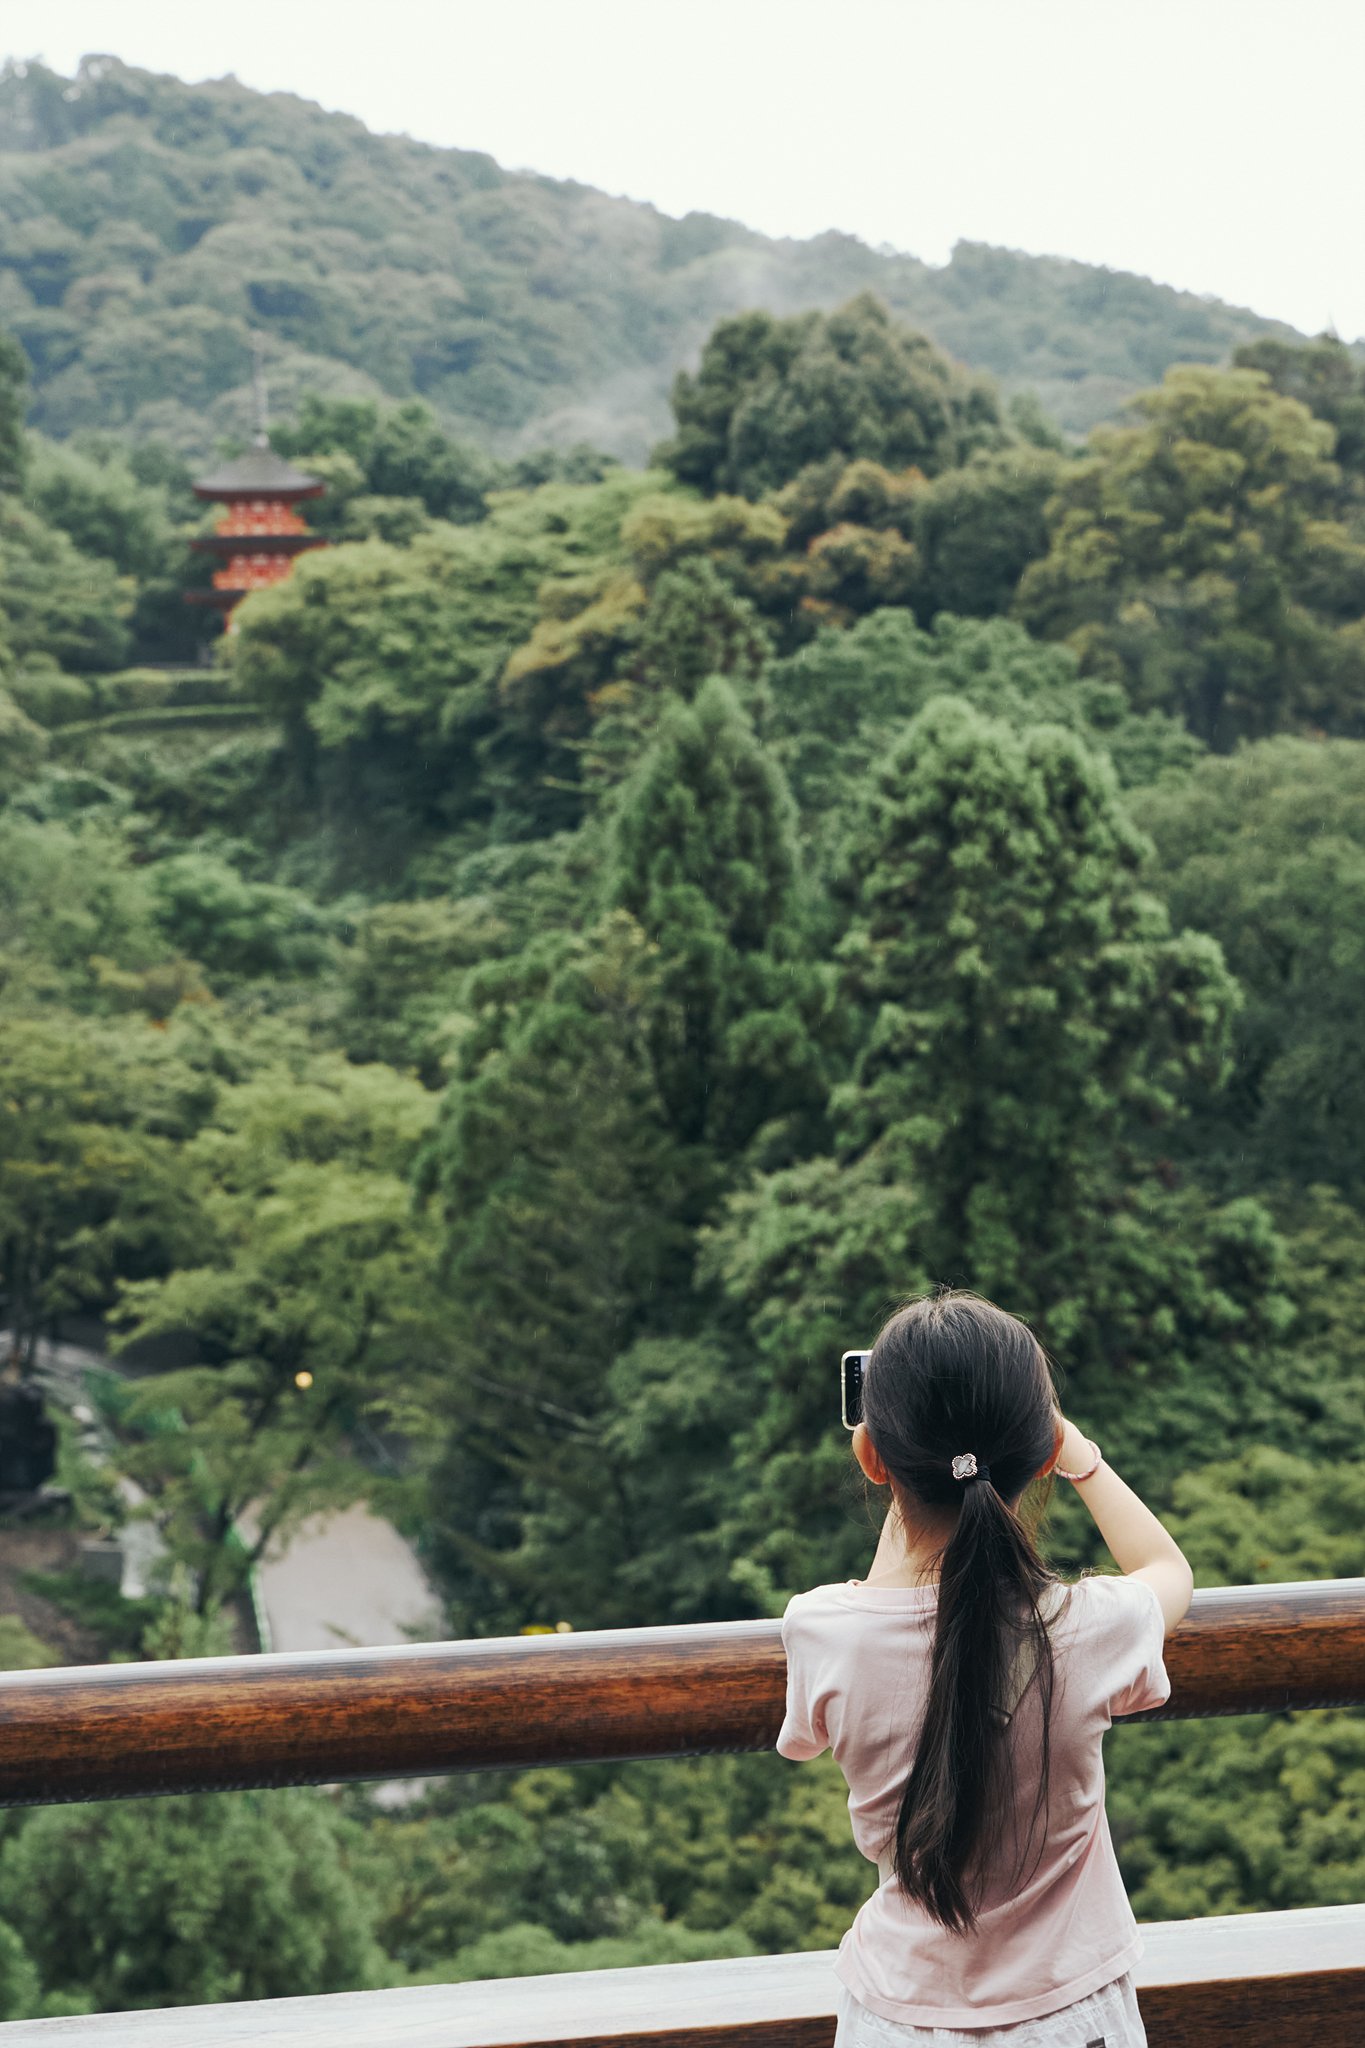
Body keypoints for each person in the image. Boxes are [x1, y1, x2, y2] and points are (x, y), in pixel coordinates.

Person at [777, 1291, 1194, 2048]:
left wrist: (904, 1472)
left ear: (870, 1457)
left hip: (898, 2019)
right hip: (1071, 2018)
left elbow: (885, 1619)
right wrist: (1082, 1457)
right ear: (1042, 1454)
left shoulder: (825, 1631)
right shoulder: (1086, 1626)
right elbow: (1168, 1570)